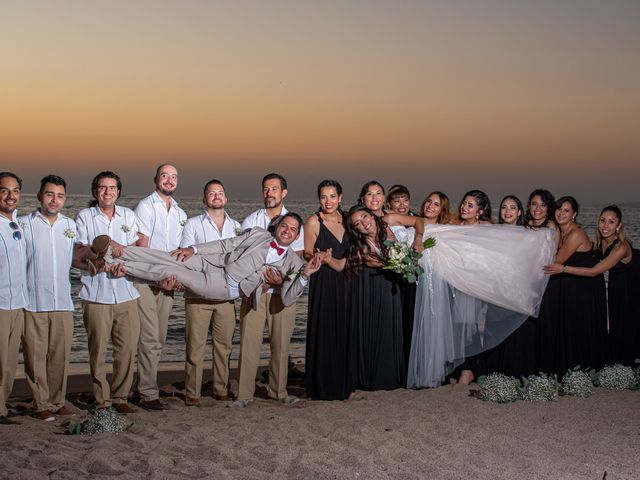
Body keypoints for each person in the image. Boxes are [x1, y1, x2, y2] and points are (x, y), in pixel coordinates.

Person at [408, 217, 556, 388]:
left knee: (477, 327)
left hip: (481, 284)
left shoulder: (486, 227)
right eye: (465, 203)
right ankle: (462, 370)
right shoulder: (455, 224)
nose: (465, 208)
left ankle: (472, 371)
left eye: (471, 205)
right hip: (459, 282)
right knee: (459, 327)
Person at [74, 171, 141, 414]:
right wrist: (107, 246)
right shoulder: (85, 217)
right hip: (96, 294)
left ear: (118, 191)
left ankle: (121, 397)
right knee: (98, 351)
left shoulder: (129, 216)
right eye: (102, 188)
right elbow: (80, 250)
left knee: (126, 350)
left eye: (112, 188)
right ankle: (102, 400)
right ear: (95, 192)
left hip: (126, 292)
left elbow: (136, 247)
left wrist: (128, 265)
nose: (107, 192)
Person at [236, 174, 305, 407]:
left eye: (274, 189)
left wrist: (278, 279)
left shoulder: (294, 223)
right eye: (266, 189)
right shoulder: (251, 220)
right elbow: (242, 255)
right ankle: (244, 394)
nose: (269, 193)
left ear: (283, 192)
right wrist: (261, 276)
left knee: (281, 344)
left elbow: (297, 258)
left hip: (282, 294)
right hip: (255, 292)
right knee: (248, 343)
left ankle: (278, 390)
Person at [545, 205, 638, 365]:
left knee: (629, 323)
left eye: (611, 222)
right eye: (602, 221)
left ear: (619, 225)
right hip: (617, 286)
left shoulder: (620, 247)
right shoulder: (600, 242)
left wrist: (563, 268)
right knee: (616, 323)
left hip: (633, 285)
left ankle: (628, 365)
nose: (605, 226)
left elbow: (594, 271)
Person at [346, 205, 424, 391]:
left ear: (372, 215)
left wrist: (418, 240)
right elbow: (388, 264)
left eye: (365, 217)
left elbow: (417, 221)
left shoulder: (387, 221)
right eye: (358, 224)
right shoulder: (364, 248)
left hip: (402, 282)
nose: (364, 224)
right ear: (356, 230)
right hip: (387, 283)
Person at [20, 175, 77, 421]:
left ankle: (57, 401)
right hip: (33, 302)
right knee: (35, 356)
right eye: (50, 194)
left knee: (59, 356)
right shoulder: (23, 225)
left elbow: (77, 258)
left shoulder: (70, 225)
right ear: (40, 196)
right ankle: (40, 403)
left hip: (63, 302)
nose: (55, 200)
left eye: (60, 195)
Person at [180, 179, 241, 406]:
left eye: (220, 193)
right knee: (195, 347)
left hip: (226, 296)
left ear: (226, 199)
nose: (216, 196)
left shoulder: (236, 227)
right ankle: (192, 393)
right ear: (204, 199)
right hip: (198, 295)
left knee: (224, 347)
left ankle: (220, 388)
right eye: (211, 193)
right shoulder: (193, 224)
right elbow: (186, 256)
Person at [133, 164, 187, 411]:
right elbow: (141, 247)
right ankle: (147, 393)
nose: (169, 180)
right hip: (146, 281)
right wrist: (155, 278)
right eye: (165, 175)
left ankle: (143, 387)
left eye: (173, 177)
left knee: (159, 338)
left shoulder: (180, 213)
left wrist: (178, 279)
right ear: (156, 179)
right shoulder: (146, 206)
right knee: (149, 337)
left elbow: (180, 253)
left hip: (168, 283)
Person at [546, 196, 607, 374]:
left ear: (574, 214)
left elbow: (555, 262)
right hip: (571, 282)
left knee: (577, 326)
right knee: (569, 325)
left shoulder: (575, 234)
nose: (561, 213)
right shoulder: (560, 230)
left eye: (566, 210)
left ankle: (580, 368)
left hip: (584, 286)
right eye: (558, 209)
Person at [303, 180, 352, 400]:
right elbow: (305, 252)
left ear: (340, 197)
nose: (328, 201)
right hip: (324, 281)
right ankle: (321, 385)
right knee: (324, 329)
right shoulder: (314, 221)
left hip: (347, 282)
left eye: (332, 196)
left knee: (344, 329)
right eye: (324, 196)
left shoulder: (348, 220)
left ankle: (343, 382)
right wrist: (318, 257)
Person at [0, 172, 27, 425]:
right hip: (0, 304)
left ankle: (1, 407)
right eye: (4, 190)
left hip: (17, 302)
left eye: (15, 190)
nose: (11, 196)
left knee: (8, 362)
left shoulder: (16, 222)